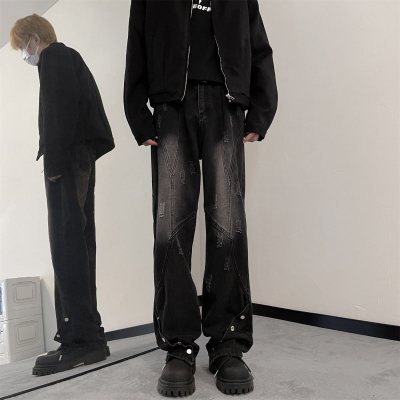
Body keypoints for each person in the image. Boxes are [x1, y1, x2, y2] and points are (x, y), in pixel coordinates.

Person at [124, 0, 278, 396]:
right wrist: (138, 115)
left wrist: (261, 110)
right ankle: (179, 345)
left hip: (226, 106)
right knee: (171, 229)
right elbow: (137, 43)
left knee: (228, 226)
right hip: (170, 108)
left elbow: (258, 45)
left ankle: (227, 341)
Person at [10, 14, 115, 376]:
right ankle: (90, 335)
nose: (24, 54)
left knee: (66, 245)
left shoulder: (53, 56)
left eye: (22, 46)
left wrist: (53, 161)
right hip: (81, 157)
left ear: (33, 38)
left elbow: (59, 110)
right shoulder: (71, 57)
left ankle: (79, 340)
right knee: (81, 244)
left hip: (67, 161)